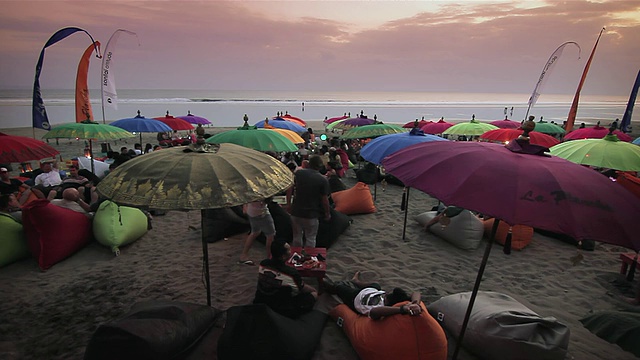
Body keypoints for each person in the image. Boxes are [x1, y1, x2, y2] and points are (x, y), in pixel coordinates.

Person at [253, 240, 318, 318]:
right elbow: (301, 289)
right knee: (313, 293)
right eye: (289, 250)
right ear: (283, 256)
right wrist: (313, 290)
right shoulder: (291, 273)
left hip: (262, 301)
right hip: (283, 308)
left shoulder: (263, 264)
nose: (291, 251)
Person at [325, 271, 422, 320]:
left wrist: (402, 309)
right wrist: (416, 303)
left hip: (355, 297)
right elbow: (416, 293)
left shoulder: (381, 308)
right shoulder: (384, 297)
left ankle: (326, 286)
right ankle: (356, 282)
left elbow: (374, 312)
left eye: (387, 296)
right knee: (376, 285)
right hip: (371, 291)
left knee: (337, 288)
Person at [286, 155, 331, 248]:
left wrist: (288, 204)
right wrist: (327, 213)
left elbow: (289, 189)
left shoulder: (298, 174)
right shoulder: (323, 179)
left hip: (296, 210)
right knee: (310, 238)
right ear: (320, 166)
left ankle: (296, 257)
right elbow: (324, 200)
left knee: (297, 236)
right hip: (312, 213)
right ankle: (309, 258)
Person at [239, 198, 276, 265]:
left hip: (251, 211)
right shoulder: (262, 189)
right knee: (270, 235)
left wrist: (245, 206)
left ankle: (244, 255)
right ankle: (270, 257)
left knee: (255, 232)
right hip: (261, 212)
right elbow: (266, 200)